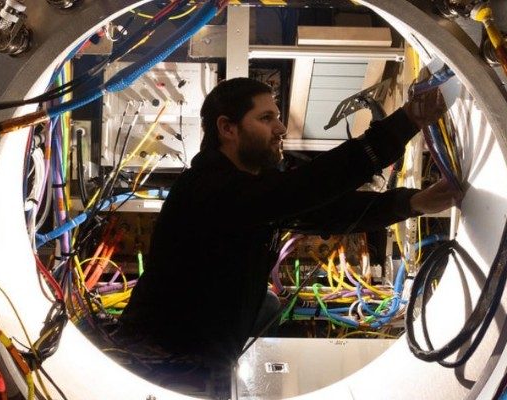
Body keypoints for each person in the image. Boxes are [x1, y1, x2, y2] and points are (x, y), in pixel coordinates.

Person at [116, 77, 460, 386]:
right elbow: (306, 188)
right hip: (159, 365)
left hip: (196, 360)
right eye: (266, 118)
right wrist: (405, 123)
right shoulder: (208, 188)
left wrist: (413, 202)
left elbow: (326, 210)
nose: (281, 128)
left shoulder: (246, 188)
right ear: (228, 128)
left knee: (268, 303)